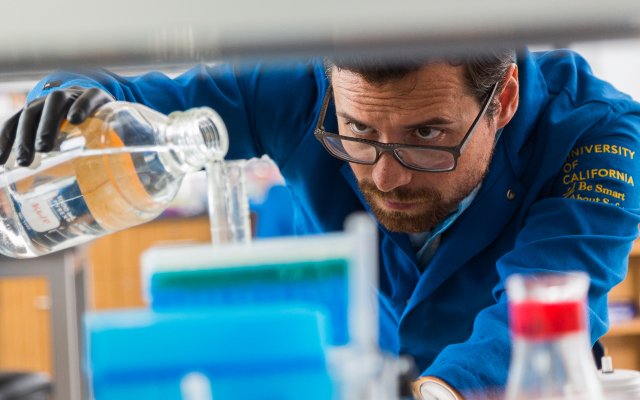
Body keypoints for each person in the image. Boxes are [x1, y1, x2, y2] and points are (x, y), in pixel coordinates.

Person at [2, 48, 639, 399]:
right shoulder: (296, 85)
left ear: (503, 100)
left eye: (427, 136)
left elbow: (550, 298)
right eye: (358, 134)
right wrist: (67, 102)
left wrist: (444, 392)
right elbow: (139, 103)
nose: (387, 178)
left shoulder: (599, 134)